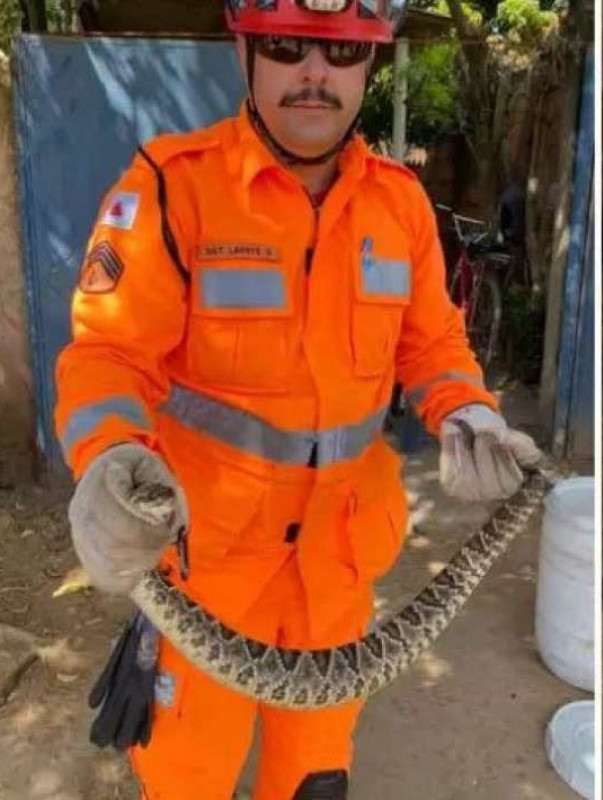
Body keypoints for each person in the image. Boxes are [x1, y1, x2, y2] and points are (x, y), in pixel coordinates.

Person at [54, 2, 542, 797]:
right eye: (288, 47)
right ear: (246, 48)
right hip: (203, 566)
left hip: (337, 569)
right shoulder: (173, 188)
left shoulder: (401, 203)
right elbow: (108, 354)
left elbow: (431, 345)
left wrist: (466, 409)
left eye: (341, 54)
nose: (315, 74)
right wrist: (109, 455)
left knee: (315, 780)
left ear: (371, 67)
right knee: (186, 779)